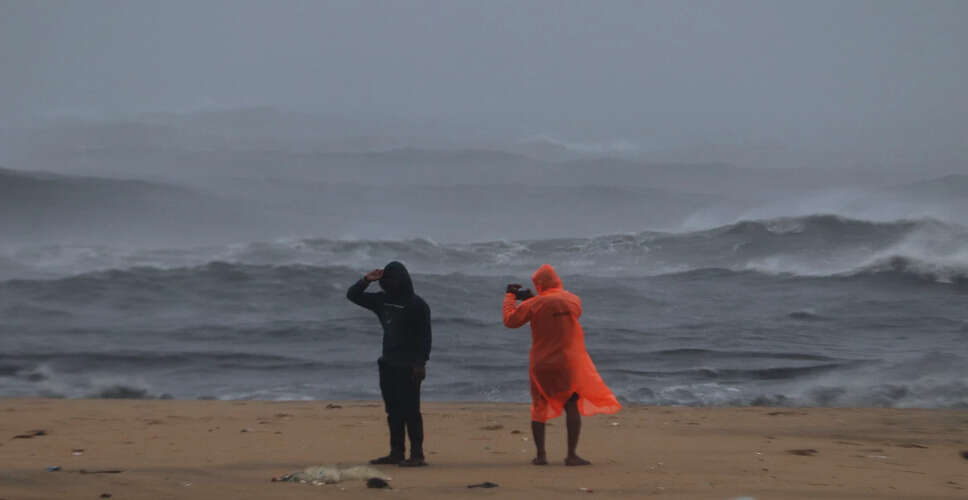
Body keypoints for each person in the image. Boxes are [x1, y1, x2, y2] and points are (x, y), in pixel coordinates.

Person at [503, 264, 621, 466]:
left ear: (539, 284)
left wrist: (510, 297)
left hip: (541, 363)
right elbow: (562, 311)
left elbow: (510, 321)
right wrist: (535, 298)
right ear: (556, 280)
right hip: (567, 362)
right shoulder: (573, 300)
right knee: (571, 405)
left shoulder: (533, 305)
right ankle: (571, 455)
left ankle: (541, 455)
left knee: (539, 407)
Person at [347, 261, 431, 467]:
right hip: (387, 363)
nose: (388, 284)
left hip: (410, 365)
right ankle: (396, 452)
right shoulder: (382, 301)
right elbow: (353, 295)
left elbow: (425, 337)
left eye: (393, 280)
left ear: (403, 280)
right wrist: (367, 279)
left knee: (411, 410)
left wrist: (421, 363)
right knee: (393, 410)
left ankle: (417, 455)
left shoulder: (417, 305)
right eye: (386, 280)